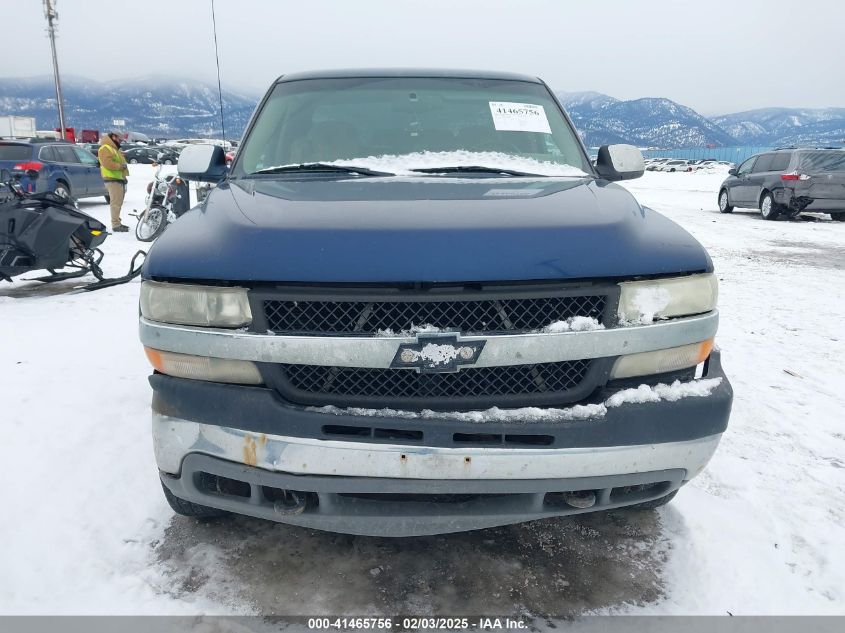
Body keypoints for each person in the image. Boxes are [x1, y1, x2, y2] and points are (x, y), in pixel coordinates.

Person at [97, 131, 130, 232]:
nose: (120, 141)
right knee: (115, 203)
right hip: (112, 179)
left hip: (118, 179)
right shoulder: (105, 148)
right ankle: (115, 225)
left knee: (118, 202)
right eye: (119, 139)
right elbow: (107, 163)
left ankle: (117, 222)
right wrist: (120, 166)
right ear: (114, 137)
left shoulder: (114, 148)